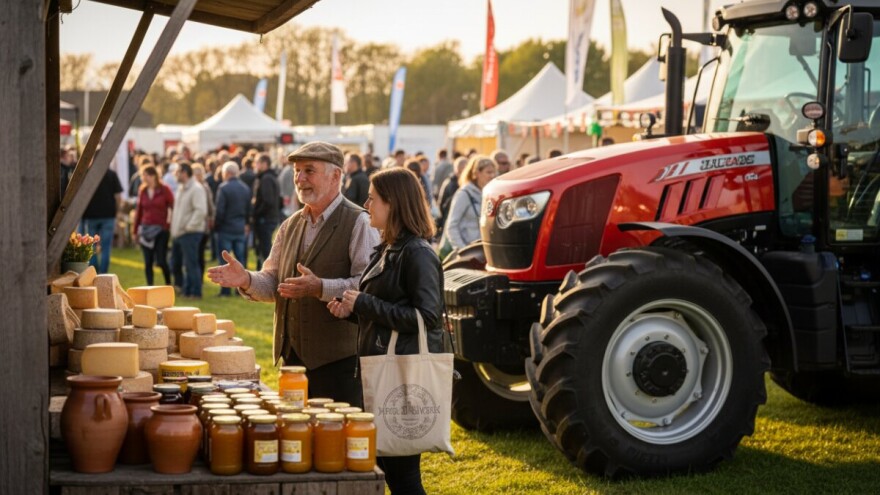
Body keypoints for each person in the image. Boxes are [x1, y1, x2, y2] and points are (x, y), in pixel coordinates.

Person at [206, 141, 380, 405]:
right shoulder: (290, 225)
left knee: (333, 432)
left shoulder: (359, 222)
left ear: (335, 176)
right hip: (293, 361)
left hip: (339, 366)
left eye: (309, 170)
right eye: (297, 171)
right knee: (294, 429)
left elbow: (367, 288)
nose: (299, 179)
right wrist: (247, 279)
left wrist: (320, 287)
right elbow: (274, 282)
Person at [327, 167, 442, 495]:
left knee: (403, 477)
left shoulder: (417, 253)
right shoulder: (388, 248)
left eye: (373, 199)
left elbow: (427, 317)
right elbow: (386, 314)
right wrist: (351, 312)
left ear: (393, 203)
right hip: (380, 374)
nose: (366, 205)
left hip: (402, 380)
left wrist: (365, 303)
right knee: (389, 471)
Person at [442, 155, 497, 252]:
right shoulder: (464, 194)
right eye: (488, 172)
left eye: (493, 172)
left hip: (485, 251)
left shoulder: (490, 193)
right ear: (476, 173)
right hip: (468, 252)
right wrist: (463, 250)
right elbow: (451, 226)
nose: (492, 176)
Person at [170, 162, 208, 298]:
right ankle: (186, 290)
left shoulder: (196, 189)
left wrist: (189, 227)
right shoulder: (182, 188)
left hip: (190, 233)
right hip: (180, 233)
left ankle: (195, 292)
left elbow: (201, 210)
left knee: (191, 264)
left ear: (184, 173)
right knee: (177, 263)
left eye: (177, 172)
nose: (175, 174)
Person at [214, 161, 252, 296]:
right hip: (240, 227)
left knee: (224, 260)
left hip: (225, 228)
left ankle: (225, 290)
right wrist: (247, 224)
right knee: (240, 259)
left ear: (227, 173)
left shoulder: (223, 188)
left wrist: (216, 226)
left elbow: (220, 211)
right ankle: (241, 288)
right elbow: (249, 209)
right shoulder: (245, 188)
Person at [133, 165, 174, 285]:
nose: (144, 178)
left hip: (161, 230)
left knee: (161, 260)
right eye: (143, 175)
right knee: (148, 262)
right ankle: (149, 287)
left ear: (154, 176)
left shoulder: (164, 189)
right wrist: (135, 231)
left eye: (147, 175)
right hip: (146, 229)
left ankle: (168, 284)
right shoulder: (143, 191)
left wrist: (167, 224)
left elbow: (172, 206)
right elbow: (139, 211)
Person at [80, 166, 123, 274]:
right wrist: (117, 211)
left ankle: (94, 272)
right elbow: (118, 196)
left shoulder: (87, 173)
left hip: (91, 215)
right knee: (106, 247)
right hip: (108, 215)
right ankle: (103, 274)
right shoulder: (111, 174)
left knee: (91, 246)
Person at [251, 153, 281, 271]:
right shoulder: (269, 177)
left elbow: (268, 201)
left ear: (264, 164)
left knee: (265, 249)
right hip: (269, 217)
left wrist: (256, 213)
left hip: (265, 219)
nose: (255, 165)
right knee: (263, 248)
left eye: (257, 162)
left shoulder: (266, 178)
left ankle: (267, 274)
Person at [192, 163, 215, 276]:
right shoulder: (203, 187)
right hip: (200, 225)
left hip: (200, 225)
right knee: (198, 253)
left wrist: (210, 219)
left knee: (198, 253)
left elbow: (210, 207)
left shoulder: (203, 188)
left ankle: (198, 277)